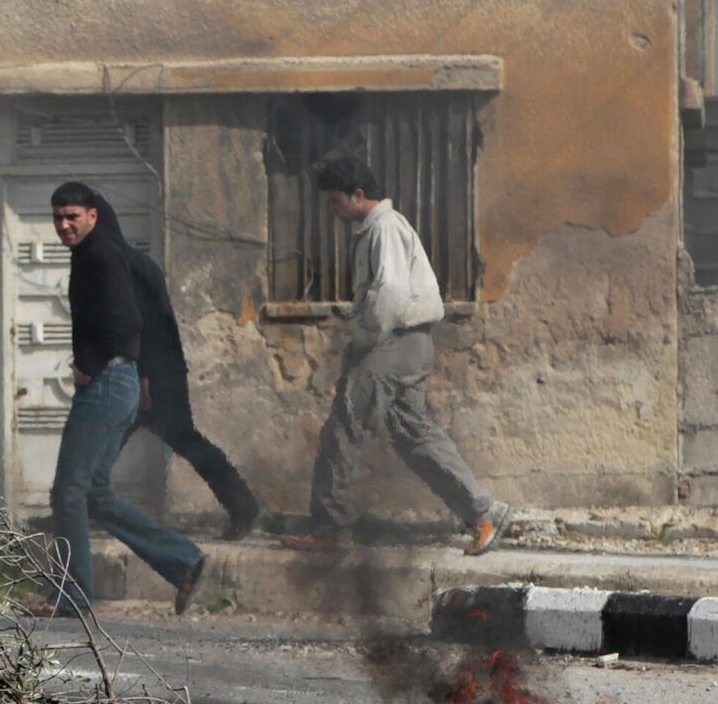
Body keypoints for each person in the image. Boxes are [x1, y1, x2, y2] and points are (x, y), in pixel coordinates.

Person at [283, 156, 510, 555]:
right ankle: (483, 512)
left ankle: (328, 529)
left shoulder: (383, 227)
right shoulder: (381, 227)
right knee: (414, 435)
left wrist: (365, 336)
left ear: (358, 195)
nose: (333, 210)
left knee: (342, 431)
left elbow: (388, 293)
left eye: (336, 201)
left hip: (391, 345)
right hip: (411, 344)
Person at [40, 181, 208, 618]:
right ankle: (181, 558)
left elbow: (126, 321)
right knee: (91, 492)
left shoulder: (101, 256)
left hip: (109, 382)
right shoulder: (95, 254)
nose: (64, 225)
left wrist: (88, 364)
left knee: (69, 490)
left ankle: (73, 595)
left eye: (72, 216)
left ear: (92, 216)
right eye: (58, 217)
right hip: (118, 383)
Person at [100, 196, 262, 540]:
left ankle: (243, 506)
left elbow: (147, 328)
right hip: (149, 374)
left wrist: (144, 383)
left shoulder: (126, 268)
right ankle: (69, 511)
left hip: (153, 377)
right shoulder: (129, 264)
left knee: (183, 442)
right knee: (102, 444)